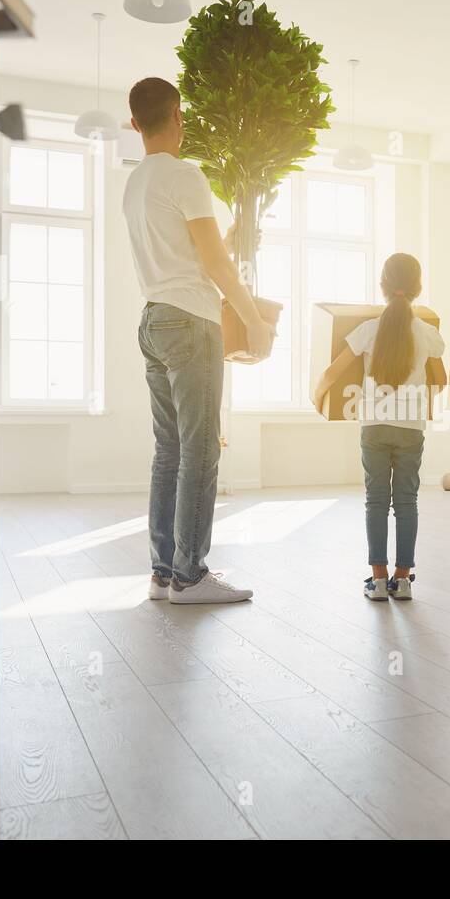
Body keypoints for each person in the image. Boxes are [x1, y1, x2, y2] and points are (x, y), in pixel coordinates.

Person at [123, 77, 273, 604]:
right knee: (202, 450)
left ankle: (164, 571)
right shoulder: (186, 175)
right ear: (178, 117)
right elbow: (211, 264)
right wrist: (253, 317)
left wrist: (226, 244)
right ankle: (192, 576)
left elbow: (193, 250)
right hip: (191, 321)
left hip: (154, 320)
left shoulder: (136, 183)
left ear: (135, 123)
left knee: (169, 450)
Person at [313, 253, 444, 600]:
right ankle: (403, 580)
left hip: (373, 426)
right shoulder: (427, 333)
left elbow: (332, 372)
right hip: (410, 428)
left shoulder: (367, 330)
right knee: (406, 501)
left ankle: (379, 580)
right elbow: (441, 381)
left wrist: (318, 396)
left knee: (375, 501)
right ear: (418, 288)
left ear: (383, 287)